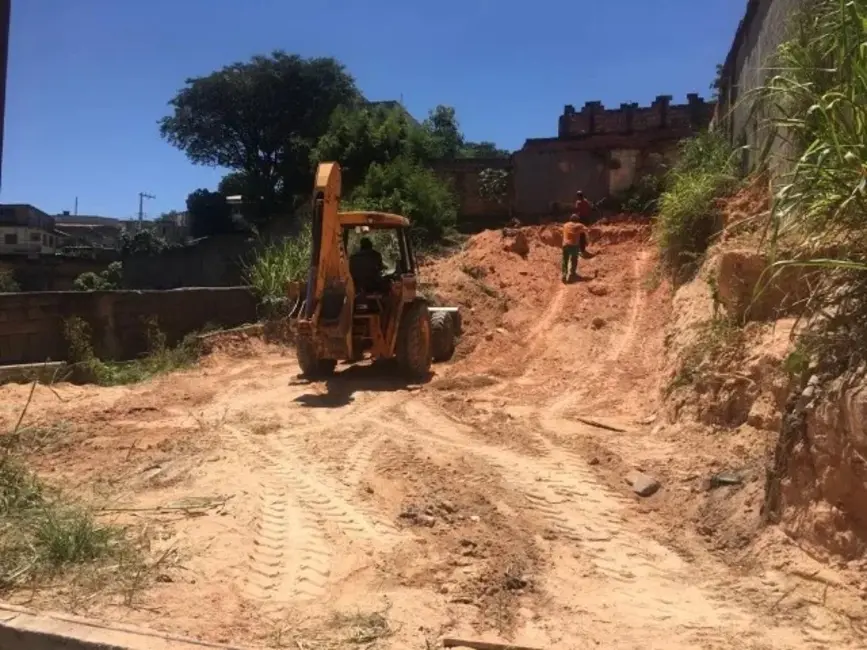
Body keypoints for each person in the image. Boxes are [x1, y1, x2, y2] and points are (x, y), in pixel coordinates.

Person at [561, 214, 588, 283]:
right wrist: (586, 239)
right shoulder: (579, 225)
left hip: (565, 245)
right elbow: (586, 230)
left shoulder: (565, 225)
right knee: (574, 260)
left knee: (565, 260)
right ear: (577, 220)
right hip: (574, 245)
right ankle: (572, 274)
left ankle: (564, 274)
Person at [574, 191, 593, 256]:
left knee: (581, 235)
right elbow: (589, 209)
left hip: (581, 220)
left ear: (578, 196)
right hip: (586, 220)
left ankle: (582, 250)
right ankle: (583, 248)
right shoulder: (586, 201)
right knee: (583, 234)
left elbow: (577, 210)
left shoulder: (578, 202)